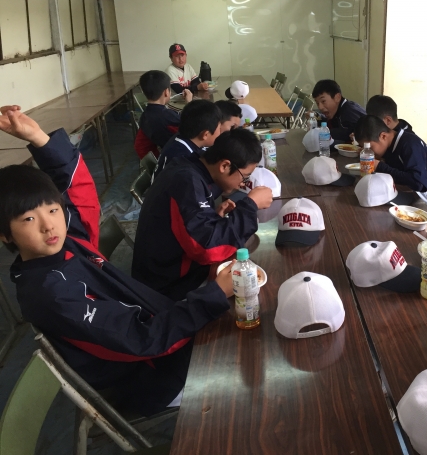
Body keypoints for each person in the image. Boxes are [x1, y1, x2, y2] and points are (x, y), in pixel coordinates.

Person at [0, 105, 234, 416]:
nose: (49, 226)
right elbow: (142, 340)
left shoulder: (67, 243)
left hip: (162, 329)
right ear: (5, 235)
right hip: (151, 376)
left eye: (54, 210)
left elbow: (77, 192)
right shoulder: (50, 294)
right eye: (29, 219)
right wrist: (213, 296)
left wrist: (38, 137)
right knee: (240, 378)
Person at [132, 128, 273, 300]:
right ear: (224, 166)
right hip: (168, 288)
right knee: (249, 290)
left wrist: (212, 217)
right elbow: (207, 250)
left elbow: (189, 224)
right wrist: (251, 205)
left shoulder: (190, 166)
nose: (243, 184)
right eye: (244, 177)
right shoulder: (186, 182)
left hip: (173, 267)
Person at [354, 115, 427, 207]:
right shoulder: (392, 142)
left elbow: (418, 183)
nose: (368, 151)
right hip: (405, 192)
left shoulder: (410, 144)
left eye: (370, 147)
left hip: (426, 200)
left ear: (383, 136)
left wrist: (380, 166)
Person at [153, 100, 223, 179]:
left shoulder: (183, 137)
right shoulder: (185, 159)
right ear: (205, 135)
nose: (220, 133)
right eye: (219, 129)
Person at [134, 70, 188, 159]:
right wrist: (189, 103)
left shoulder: (145, 115)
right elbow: (192, 127)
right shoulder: (168, 117)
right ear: (166, 92)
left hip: (162, 158)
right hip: (179, 158)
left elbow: (140, 146)